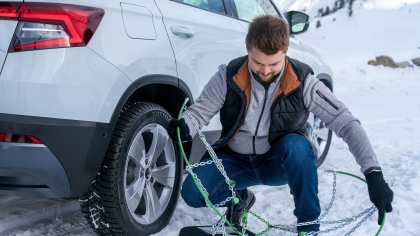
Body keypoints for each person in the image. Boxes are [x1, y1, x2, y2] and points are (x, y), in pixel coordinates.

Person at [167, 15, 393, 235]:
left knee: (297, 145)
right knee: (192, 193)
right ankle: (241, 199)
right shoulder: (228, 76)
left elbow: (345, 122)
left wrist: (373, 173)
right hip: (235, 159)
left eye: (274, 63)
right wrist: (186, 125)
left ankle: (308, 229)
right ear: (248, 49)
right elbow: (199, 112)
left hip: (277, 161)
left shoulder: (303, 82)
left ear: (285, 52)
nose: (265, 71)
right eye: (257, 62)